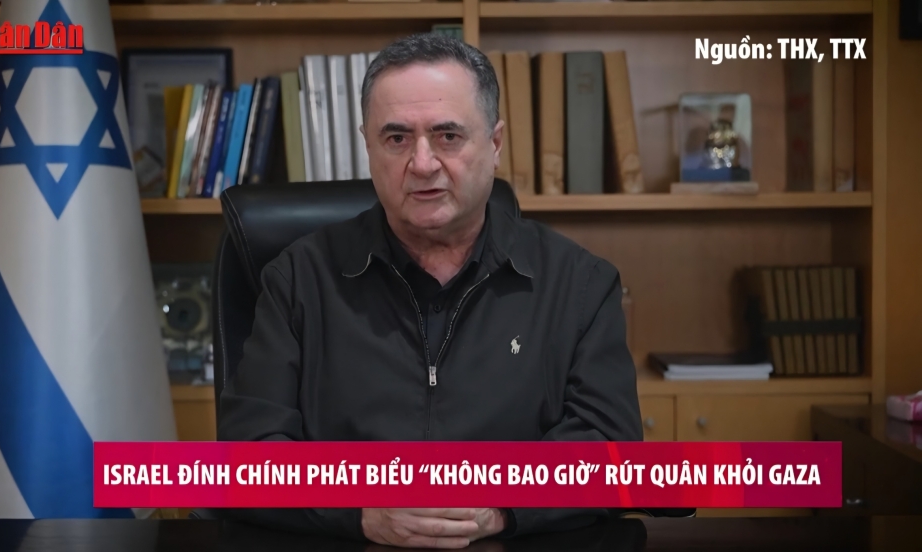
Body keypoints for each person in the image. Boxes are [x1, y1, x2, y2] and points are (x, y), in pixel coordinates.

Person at [217, 34, 642, 548]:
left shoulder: (580, 284)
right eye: (397, 138)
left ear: (495, 144)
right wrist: (362, 509)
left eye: (448, 136)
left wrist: (497, 505)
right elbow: (248, 456)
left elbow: (611, 450)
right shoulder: (298, 278)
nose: (422, 163)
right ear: (368, 146)